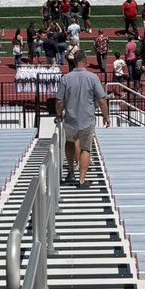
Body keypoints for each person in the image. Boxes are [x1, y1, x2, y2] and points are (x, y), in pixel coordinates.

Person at [54, 49, 110, 189]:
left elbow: (59, 101)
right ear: (84, 61)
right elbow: (102, 100)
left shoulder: (66, 78)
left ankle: (71, 172)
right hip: (87, 119)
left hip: (70, 119)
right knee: (86, 148)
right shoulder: (92, 77)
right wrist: (106, 116)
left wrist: (59, 115)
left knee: (69, 143)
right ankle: (82, 180)